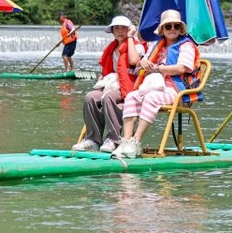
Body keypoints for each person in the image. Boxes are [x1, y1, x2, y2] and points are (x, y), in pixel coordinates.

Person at [112, 9, 201, 159]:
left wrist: (158, 68)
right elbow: (140, 66)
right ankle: (126, 141)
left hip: (177, 90)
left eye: (176, 26)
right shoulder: (156, 46)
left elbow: (183, 67)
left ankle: (136, 141)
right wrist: (143, 62)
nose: (172, 29)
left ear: (180, 29)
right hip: (154, 86)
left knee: (152, 97)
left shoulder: (186, 46)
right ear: (162, 29)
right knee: (132, 96)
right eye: (168, 26)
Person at [72, 15, 146, 153]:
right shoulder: (111, 49)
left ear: (129, 29)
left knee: (109, 97)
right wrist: (100, 82)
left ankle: (113, 139)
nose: (120, 31)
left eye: (123, 28)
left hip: (130, 87)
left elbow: (134, 61)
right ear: (112, 31)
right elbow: (107, 71)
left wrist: (130, 37)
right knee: (91, 97)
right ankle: (93, 139)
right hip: (112, 84)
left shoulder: (137, 46)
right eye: (116, 28)